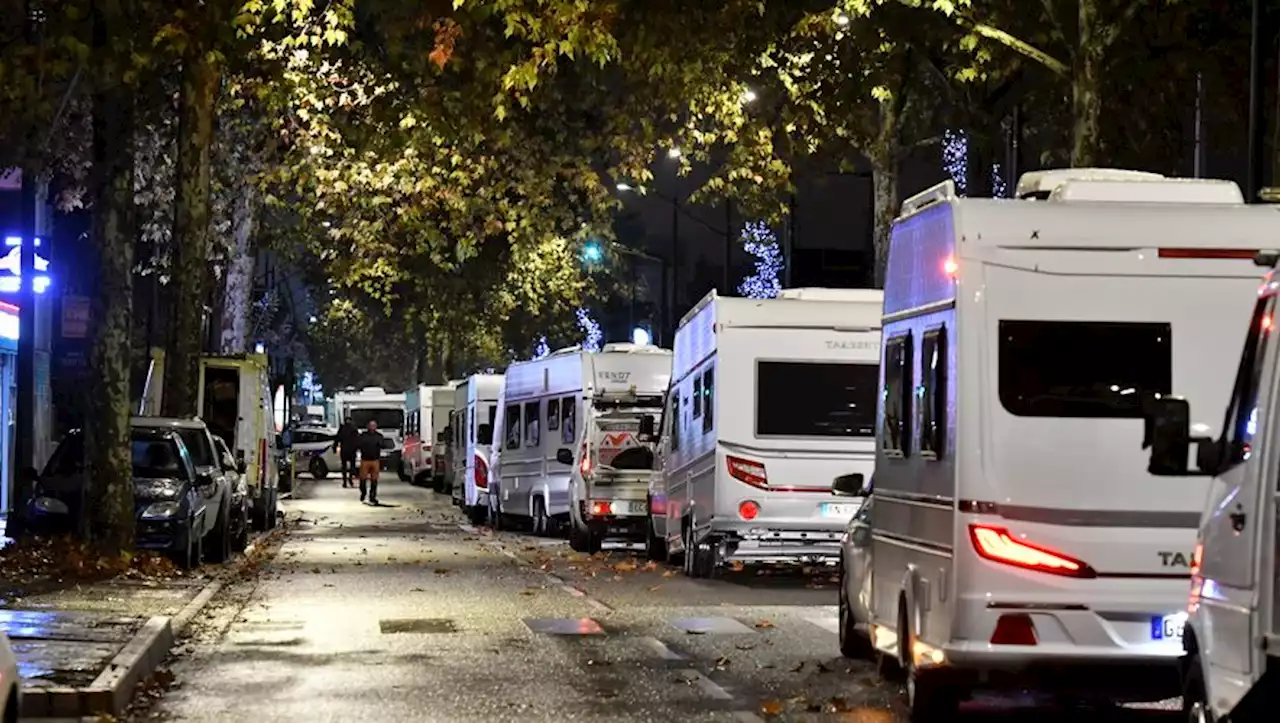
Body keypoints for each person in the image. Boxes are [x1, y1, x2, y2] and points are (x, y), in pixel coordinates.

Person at [356, 419, 385, 504]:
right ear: (368, 426)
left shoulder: (379, 436)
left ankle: (372, 496)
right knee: (362, 479)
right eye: (371, 425)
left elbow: (383, 445)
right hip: (365, 460)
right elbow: (358, 444)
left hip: (375, 460)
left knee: (374, 480)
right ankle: (363, 492)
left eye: (374, 425)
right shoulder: (363, 435)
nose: (372, 427)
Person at [332, 418, 360, 488]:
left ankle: (345, 481)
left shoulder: (342, 429)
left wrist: (334, 448)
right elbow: (357, 439)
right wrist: (358, 447)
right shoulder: (354, 428)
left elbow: (337, 439)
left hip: (344, 450)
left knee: (344, 466)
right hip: (352, 450)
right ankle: (350, 479)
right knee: (352, 466)